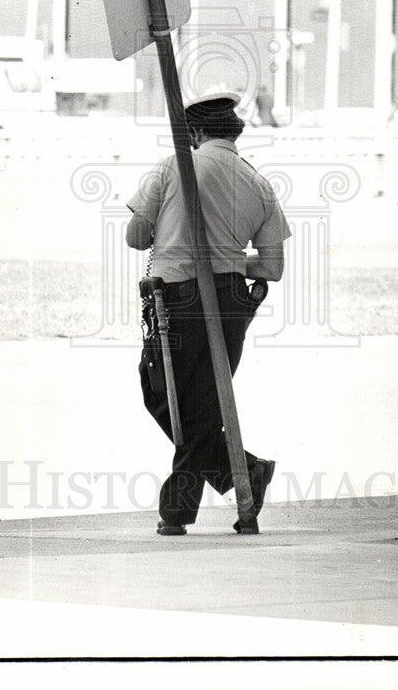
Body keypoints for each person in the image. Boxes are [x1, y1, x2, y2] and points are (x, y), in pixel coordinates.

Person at [125, 90, 291, 536]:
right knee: (202, 401)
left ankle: (177, 510)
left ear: (193, 131)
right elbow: (271, 267)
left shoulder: (173, 166)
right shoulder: (258, 183)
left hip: (177, 297)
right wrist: (228, 259)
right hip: (232, 298)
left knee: (164, 392)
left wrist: (166, 226)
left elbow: (136, 238)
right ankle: (242, 475)